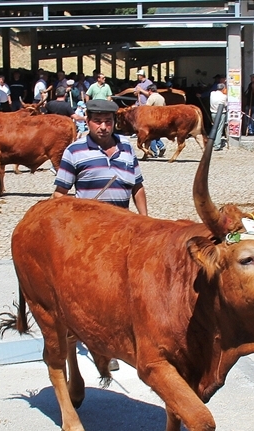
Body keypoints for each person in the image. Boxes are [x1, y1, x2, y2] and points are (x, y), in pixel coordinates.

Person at [53, 99, 147, 372]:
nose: (103, 127)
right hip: (90, 238)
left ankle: (125, 338)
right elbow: (60, 194)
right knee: (97, 293)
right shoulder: (74, 151)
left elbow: (138, 187)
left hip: (125, 232)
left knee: (124, 290)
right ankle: (101, 345)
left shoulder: (128, 149)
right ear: (88, 121)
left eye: (108, 121)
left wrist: (144, 220)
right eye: (97, 121)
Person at [143, 84, 166, 158]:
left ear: (150, 90)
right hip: (161, 118)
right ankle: (161, 146)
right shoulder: (161, 97)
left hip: (153, 118)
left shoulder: (151, 98)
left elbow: (146, 108)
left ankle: (154, 151)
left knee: (151, 135)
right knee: (156, 134)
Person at [209, 83, 228, 152]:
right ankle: (217, 145)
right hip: (220, 113)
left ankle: (212, 142)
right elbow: (226, 104)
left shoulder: (212, 93)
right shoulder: (224, 97)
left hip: (213, 113)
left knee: (214, 128)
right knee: (219, 129)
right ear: (223, 89)